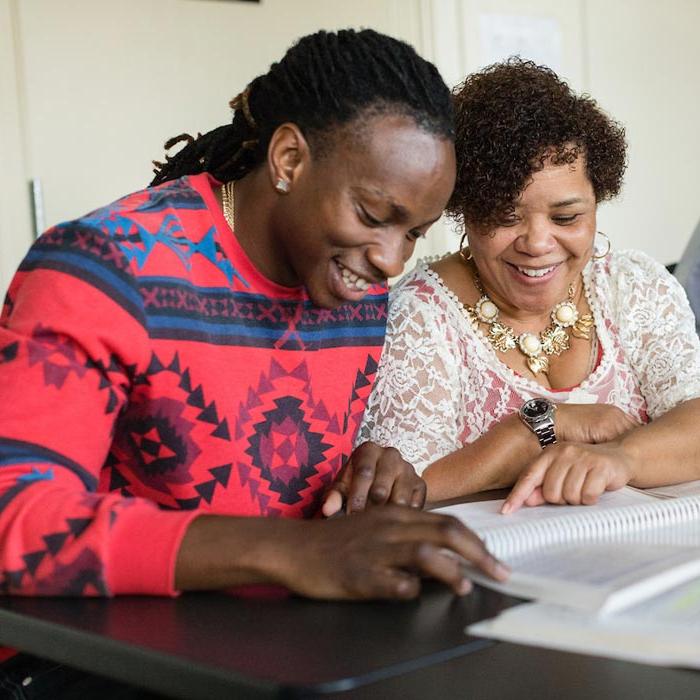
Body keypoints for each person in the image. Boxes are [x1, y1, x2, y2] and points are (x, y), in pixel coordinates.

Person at [0, 28, 510, 697]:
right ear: (291, 158)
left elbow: (263, 470)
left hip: (268, 648)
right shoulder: (102, 267)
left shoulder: (352, 289)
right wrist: (291, 551)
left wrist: (364, 472)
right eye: (373, 214)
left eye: (413, 232)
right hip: (89, 662)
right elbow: (19, 522)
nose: (391, 259)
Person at [359, 58, 700, 513]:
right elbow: (394, 493)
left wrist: (621, 457)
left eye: (567, 217)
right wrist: (527, 435)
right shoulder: (421, 318)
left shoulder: (634, 286)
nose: (538, 243)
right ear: (466, 210)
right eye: (505, 217)